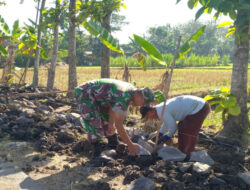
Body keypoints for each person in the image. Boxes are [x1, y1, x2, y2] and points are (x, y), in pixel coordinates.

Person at [74, 78, 155, 157]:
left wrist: (111, 123)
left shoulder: (131, 92)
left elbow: (112, 106)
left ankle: (113, 144)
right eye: (143, 102)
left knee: (106, 118)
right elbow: (119, 125)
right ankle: (96, 153)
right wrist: (130, 145)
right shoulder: (124, 96)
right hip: (85, 93)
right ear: (139, 95)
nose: (141, 105)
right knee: (93, 120)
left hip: (97, 97)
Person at [140, 95, 210, 154]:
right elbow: (167, 122)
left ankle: (188, 153)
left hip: (200, 107)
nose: (149, 118)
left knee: (188, 130)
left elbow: (173, 127)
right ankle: (182, 151)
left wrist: (167, 137)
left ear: (151, 111)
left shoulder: (161, 110)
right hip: (199, 105)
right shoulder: (159, 108)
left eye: (147, 115)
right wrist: (160, 133)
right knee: (182, 127)